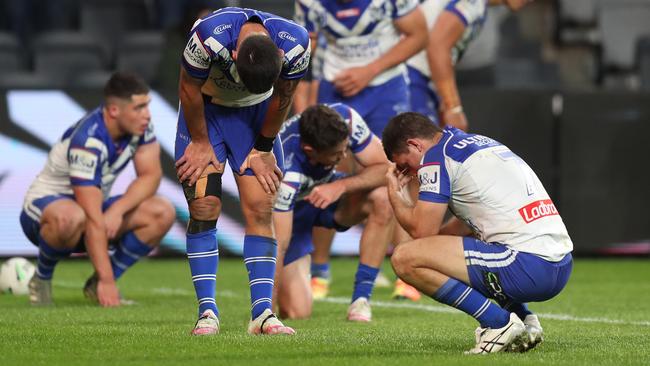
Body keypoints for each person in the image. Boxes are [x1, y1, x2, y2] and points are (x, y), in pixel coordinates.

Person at [381, 112, 573, 354]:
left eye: (405, 165)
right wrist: (431, 252)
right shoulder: (476, 142)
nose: (410, 174)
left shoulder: (435, 157)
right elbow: (463, 227)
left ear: (415, 145)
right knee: (427, 254)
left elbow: (422, 231)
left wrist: (394, 196)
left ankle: (498, 323)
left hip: (528, 265)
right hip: (560, 262)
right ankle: (523, 319)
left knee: (403, 258)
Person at [174, 7, 310, 336]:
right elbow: (188, 89)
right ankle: (207, 312)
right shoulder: (208, 37)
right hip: (207, 114)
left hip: (256, 116)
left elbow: (283, 96)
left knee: (261, 207)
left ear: (279, 56)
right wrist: (202, 141)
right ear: (233, 54)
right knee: (204, 206)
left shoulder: (297, 45)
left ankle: (262, 314)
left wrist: (263, 148)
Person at [294, 0, 428, 298]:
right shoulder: (308, 3)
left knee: (404, 170)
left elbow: (420, 34)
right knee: (328, 174)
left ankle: (408, 271)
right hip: (335, 86)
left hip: (385, 86)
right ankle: (319, 273)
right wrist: (303, 104)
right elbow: (304, 50)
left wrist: (369, 70)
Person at [20, 71, 175, 307]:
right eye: (139, 108)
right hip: (44, 212)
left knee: (162, 211)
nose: (147, 115)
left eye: (147, 106)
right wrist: (108, 280)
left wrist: (118, 210)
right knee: (71, 217)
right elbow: (92, 217)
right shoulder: (88, 142)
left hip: (89, 211)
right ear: (114, 110)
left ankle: (96, 286)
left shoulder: (141, 128)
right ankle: (41, 278)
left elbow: (151, 176)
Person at [273, 104, 392, 322]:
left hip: (330, 196)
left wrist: (340, 186)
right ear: (310, 150)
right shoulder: (286, 168)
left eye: (345, 149)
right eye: (336, 155)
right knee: (297, 312)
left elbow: (386, 168)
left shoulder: (345, 118)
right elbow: (278, 245)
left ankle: (361, 301)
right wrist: (265, 314)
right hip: (290, 216)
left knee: (382, 198)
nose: (345, 155)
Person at [413, 0, 529, 130]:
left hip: (416, 80)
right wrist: (453, 107)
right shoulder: (473, 2)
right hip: (410, 80)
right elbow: (437, 47)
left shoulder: (479, 5)